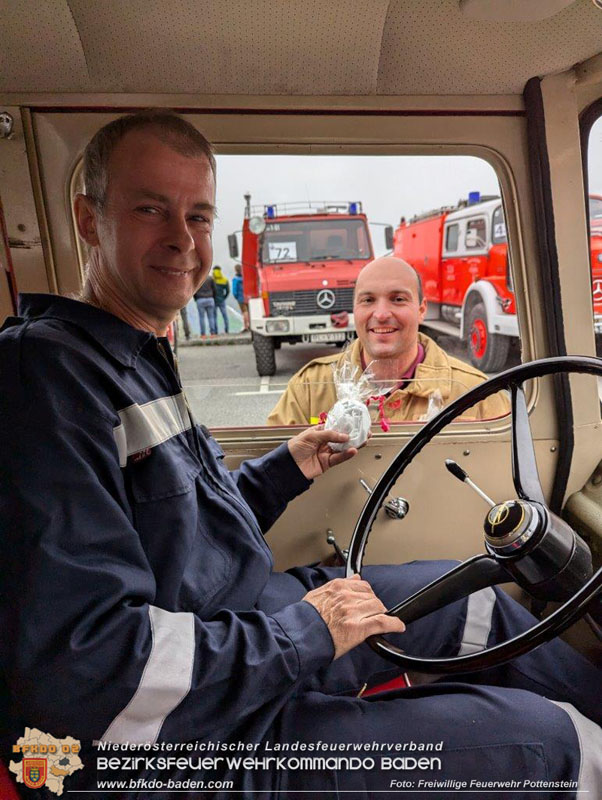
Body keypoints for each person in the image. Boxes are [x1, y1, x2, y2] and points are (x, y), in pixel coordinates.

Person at [0, 111, 600, 799]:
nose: (182, 239)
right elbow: (91, 672)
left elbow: (183, 531)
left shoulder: (131, 356)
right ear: (88, 218)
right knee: (552, 744)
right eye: (150, 209)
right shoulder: (42, 376)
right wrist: (306, 634)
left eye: (198, 216)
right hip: (158, 748)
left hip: (234, 630)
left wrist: (286, 468)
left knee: (474, 601)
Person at [267, 257, 509, 428]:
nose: (381, 314)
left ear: (421, 309)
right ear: (355, 310)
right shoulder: (309, 389)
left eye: (398, 299)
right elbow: (269, 478)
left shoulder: (476, 393)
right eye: (368, 300)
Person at [194, 270, 217, 336]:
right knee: (211, 317)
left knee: (201, 317)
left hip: (200, 299)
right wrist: (213, 297)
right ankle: (212, 333)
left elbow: (194, 291)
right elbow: (215, 289)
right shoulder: (211, 279)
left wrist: (196, 299)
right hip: (210, 299)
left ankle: (203, 334)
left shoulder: (197, 279)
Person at [212, 265, 230, 333]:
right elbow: (228, 291)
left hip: (213, 300)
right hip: (222, 300)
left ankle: (215, 331)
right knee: (224, 315)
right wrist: (224, 297)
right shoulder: (224, 280)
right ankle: (227, 329)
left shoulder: (212, 279)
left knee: (214, 316)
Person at [232, 262, 249, 331]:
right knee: (249, 311)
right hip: (247, 296)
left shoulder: (235, 279)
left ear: (235, 270)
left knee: (244, 311)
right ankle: (250, 324)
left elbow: (234, 290)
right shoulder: (245, 278)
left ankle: (246, 326)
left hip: (240, 297)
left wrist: (236, 296)